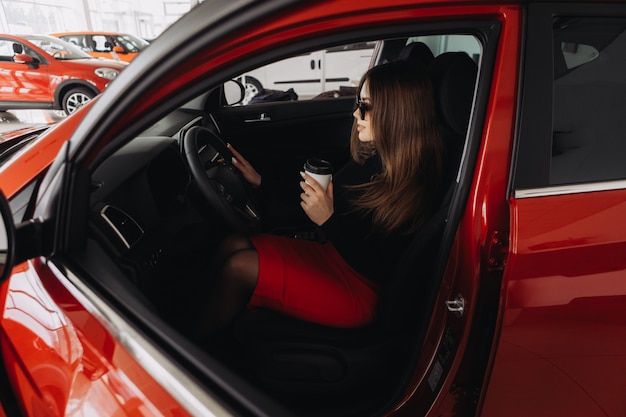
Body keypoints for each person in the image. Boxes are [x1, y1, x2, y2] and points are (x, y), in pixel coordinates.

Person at [196, 60, 444, 337]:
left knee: (238, 267)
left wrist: (329, 221)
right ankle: (197, 317)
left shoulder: (415, 187)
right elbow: (324, 194)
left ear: (397, 114)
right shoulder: (374, 160)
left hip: (360, 290)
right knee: (234, 242)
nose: (355, 114)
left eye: (365, 105)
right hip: (337, 256)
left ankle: (192, 351)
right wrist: (261, 182)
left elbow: (382, 270)